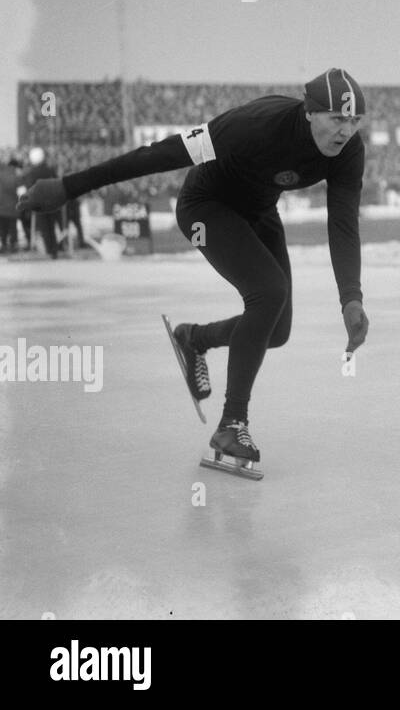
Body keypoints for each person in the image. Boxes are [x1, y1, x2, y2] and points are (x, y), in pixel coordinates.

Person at [17, 68, 371, 467]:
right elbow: (157, 154)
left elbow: (342, 222)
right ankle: (231, 424)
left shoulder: (348, 151)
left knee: (278, 330)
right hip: (204, 208)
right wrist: (68, 187)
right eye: (337, 118)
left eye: (354, 120)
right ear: (310, 112)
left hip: (257, 211)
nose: (345, 130)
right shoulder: (252, 126)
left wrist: (350, 299)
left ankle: (194, 339)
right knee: (269, 292)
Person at [0, 155, 20, 254]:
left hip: (1, 207)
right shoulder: (16, 176)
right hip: (13, 207)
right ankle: (13, 246)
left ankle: (3, 245)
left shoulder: (1, 174)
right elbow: (21, 192)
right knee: (13, 227)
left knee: (2, 227)